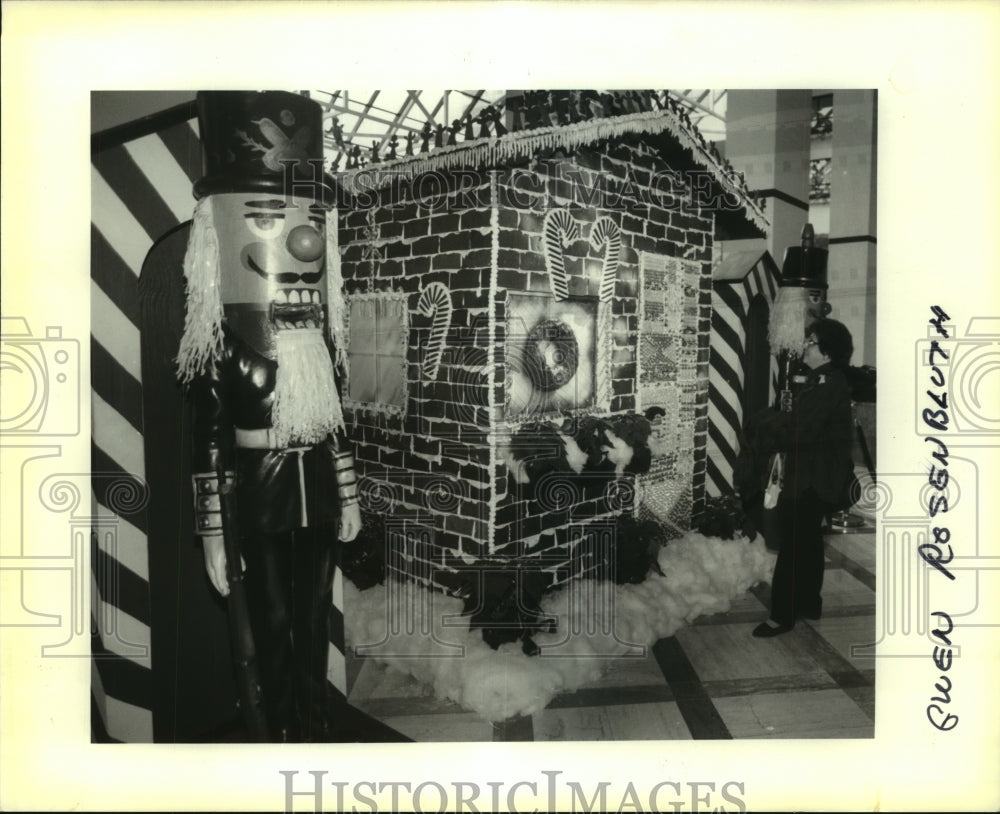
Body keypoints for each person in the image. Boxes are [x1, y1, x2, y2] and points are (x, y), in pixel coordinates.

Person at [176, 91, 361, 740]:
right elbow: (206, 442)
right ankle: (278, 734)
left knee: (313, 620)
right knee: (273, 620)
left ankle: (312, 727)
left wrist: (349, 496)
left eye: (308, 223)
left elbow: (335, 424)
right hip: (258, 492)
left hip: (316, 488)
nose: (300, 238)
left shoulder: (319, 337)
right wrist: (213, 533)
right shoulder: (220, 344)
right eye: (264, 219)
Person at [751, 318, 855, 637]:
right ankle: (809, 603)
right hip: (820, 479)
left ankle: (782, 616)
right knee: (809, 543)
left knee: (794, 545)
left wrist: (768, 425)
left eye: (811, 342)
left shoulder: (825, 384)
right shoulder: (826, 379)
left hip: (810, 480)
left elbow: (800, 432)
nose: (806, 347)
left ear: (825, 352)